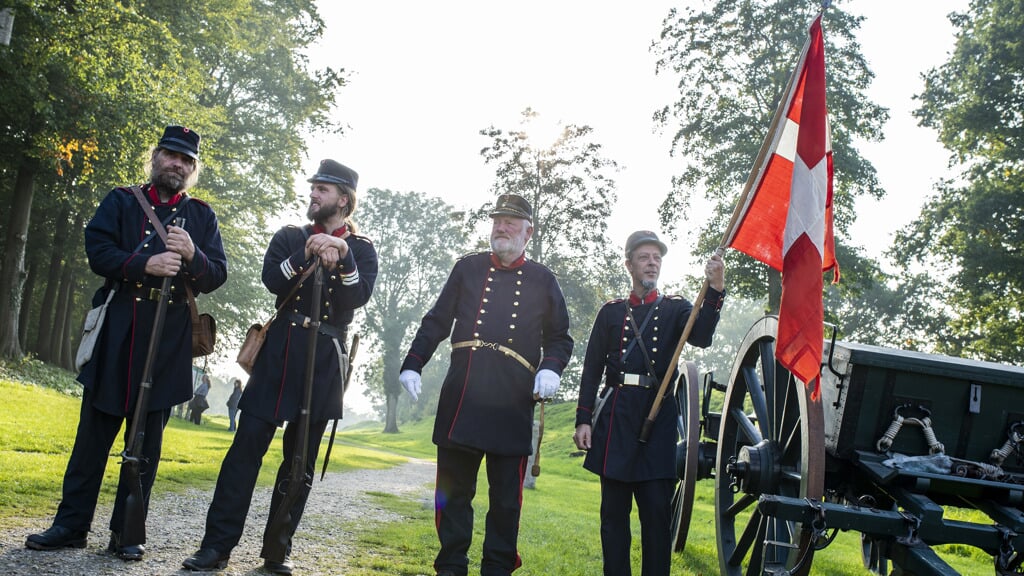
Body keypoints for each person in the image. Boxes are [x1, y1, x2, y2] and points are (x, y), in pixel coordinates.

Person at [25, 126, 227, 561]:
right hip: (118, 331)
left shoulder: (202, 217)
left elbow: (216, 276)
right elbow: (98, 251)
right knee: (91, 439)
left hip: (167, 341)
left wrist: (193, 254)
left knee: (147, 446)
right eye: (170, 155)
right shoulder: (121, 200)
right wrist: (145, 263)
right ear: (155, 157)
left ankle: (127, 532)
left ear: (193, 169)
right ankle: (71, 525)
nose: (177, 164)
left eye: (186, 160)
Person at [183, 159, 378, 575]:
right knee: (243, 454)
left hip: (325, 361)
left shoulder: (362, 249)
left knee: (300, 462)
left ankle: (277, 551)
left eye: (323, 189)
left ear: (343, 199)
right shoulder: (291, 235)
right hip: (279, 356)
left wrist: (342, 256)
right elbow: (272, 279)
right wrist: (305, 253)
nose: (313, 195)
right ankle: (216, 546)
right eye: (314, 188)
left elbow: (356, 298)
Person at [398, 193, 573, 576]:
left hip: (513, 398)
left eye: (511, 222)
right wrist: (413, 363)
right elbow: (437, 321)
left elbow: (560, 337)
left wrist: (552, 369)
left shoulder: (544, 280)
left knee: (506, 501)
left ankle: (497, 568)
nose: (502, 227)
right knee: (454, 493)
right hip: (464, 390)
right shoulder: (468, 268)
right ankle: (451, 567)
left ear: (528, 232)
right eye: (497, 220)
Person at [572, 230, 725, 576]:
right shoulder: (610, 312)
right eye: (644, 257)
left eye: (657, 258)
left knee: (656, 515)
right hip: (615, 419)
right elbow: (592, 367)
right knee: (613, 517)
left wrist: (715, 290)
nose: (652, 263)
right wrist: (583, 419)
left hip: (658, 420)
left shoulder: (675, 308)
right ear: (629, 264)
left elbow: (701, 336)